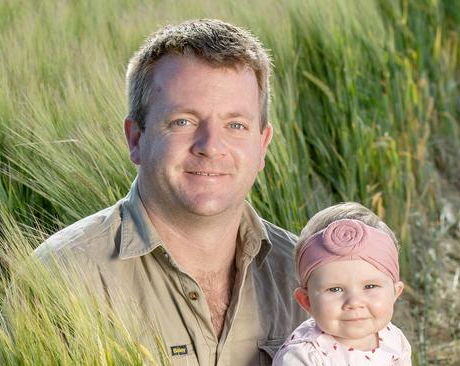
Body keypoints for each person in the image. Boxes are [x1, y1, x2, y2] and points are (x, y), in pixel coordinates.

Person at [33, 19, 307, 365]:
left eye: (235, 125)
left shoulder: (310, 274)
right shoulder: (62, 276)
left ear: (262, 145)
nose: (211, 146)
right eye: (183, 122)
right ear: (135, 138)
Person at [272, 202, 412, 365]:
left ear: (395, 293)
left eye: (370, 286)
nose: (354, 303)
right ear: (306, 301)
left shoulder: (392, 339)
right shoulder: (303, 357)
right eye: (335, 289)